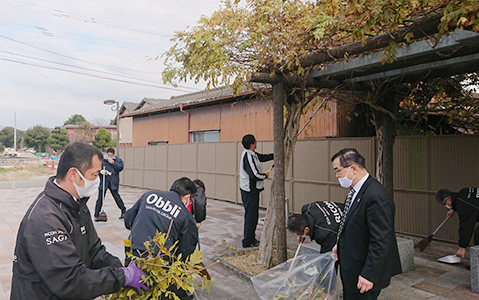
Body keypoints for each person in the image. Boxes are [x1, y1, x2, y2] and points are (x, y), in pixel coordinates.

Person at [10, 142, 148, 299]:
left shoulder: (77, 205)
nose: (97, 181)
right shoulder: (46, 218)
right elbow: (70, 281)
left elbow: (94, 250)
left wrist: (119, 267)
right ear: (74, 175)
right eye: (94, 175)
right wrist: (122, 277)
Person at [331, 148, 401, 300]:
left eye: (338, 171)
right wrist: (339, 245)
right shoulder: (356, 191)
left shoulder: (375, 195)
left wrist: (369, 274)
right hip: (352, 265)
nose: (337, 176)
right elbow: (352, 224)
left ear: (353, 168)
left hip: (363, 272)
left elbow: (381, 240)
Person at [124, 177, 198, 299]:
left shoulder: (149, 195)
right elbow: (184, 252)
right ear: (187, 197)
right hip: (159, 267)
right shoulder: (186, 217)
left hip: (132, 256)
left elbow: (128, 221)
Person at [239, 134, 274, 248]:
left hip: (253, 190)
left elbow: (262, 157)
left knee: (253, 215)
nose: (257, 142)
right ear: (252, 144)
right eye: (255, 141)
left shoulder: (252, 154)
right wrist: (264, 176)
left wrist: (276, 155)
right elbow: (254, 175)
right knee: (251, 216)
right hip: (249, 191)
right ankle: (248, 241)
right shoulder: (247, 156)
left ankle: (251, 238)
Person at [436, 187, 479, 258]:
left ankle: (476, 265)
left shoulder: (463, 206)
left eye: (444, 204)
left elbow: (466, 227)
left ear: (449, 200)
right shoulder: (463, 192)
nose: (445, 206)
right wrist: (454, 209)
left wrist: (462, 247)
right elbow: (470, 202)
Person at [94, 147, 127, 221]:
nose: (109, 157)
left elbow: (120, 168)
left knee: (117, 197)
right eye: (108, 155)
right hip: (104, 181)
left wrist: (114, 163)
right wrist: (101, 172)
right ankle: (96, 214)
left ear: (113, 154)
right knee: (100, 198)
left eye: (111, 155)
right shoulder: (102, 160)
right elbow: (96, 168)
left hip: (113, 181)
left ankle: (123, 211)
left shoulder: (118, 160)